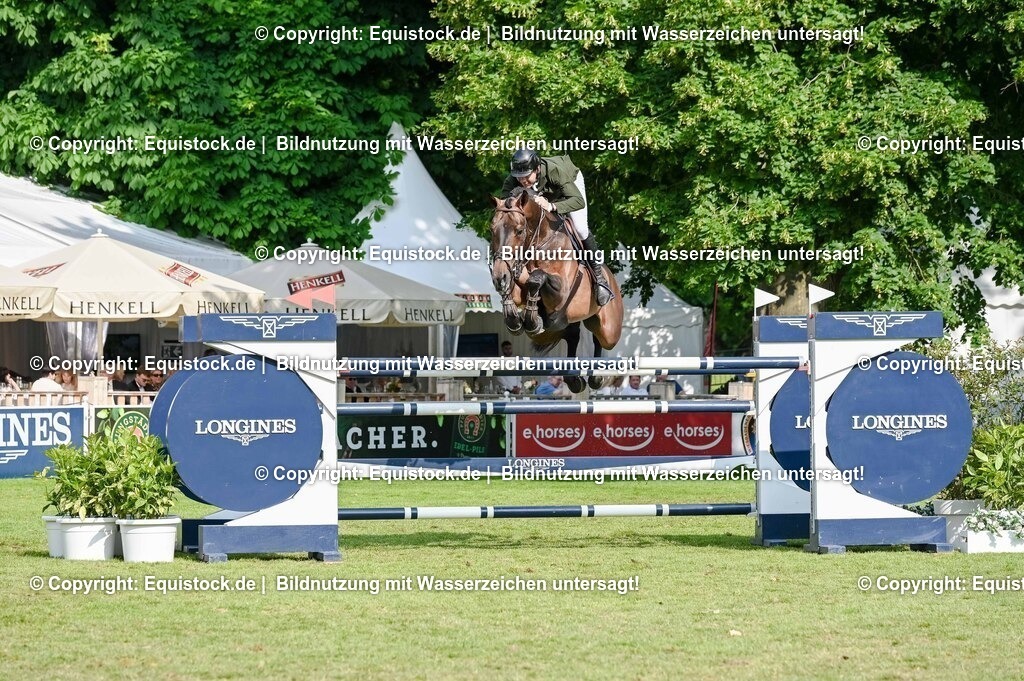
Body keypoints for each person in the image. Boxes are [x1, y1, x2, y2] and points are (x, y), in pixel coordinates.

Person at [501, 148, 614, 306]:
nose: (523, 181)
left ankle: (599, 278)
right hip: (543, 194)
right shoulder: (515, 179)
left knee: (580, 228)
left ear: (537, 168)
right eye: (519, 177)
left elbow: (577, 201)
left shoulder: (555, 171)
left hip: (569, 186)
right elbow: (505, 208)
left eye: (526, 176)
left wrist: (552, 206)